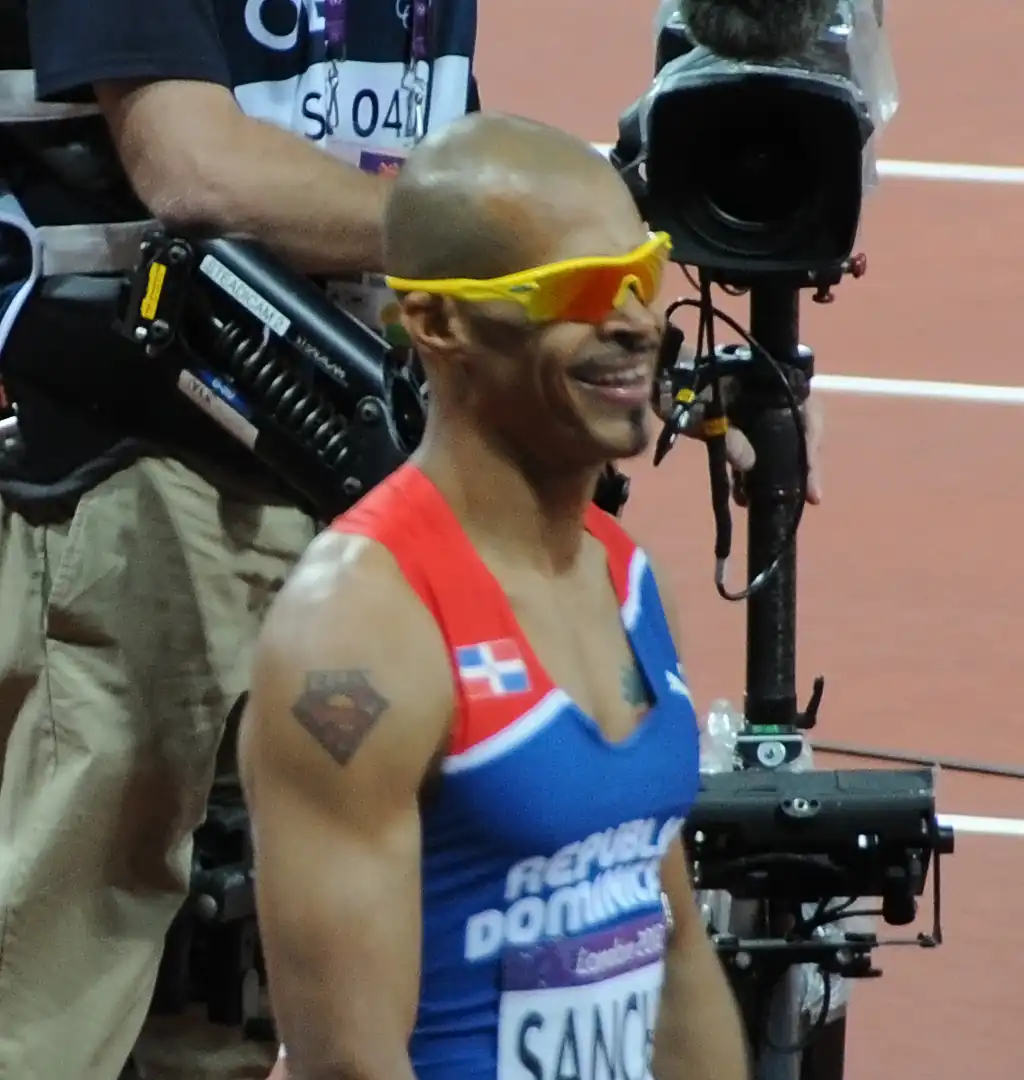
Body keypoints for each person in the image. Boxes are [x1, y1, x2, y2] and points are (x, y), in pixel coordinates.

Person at [0, 2, 478, 1079]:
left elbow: (415, 165)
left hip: (352, 472)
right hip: (139, 470)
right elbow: (194, 168)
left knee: (245, 981)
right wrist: (496, 229)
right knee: (64, 970)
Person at [243, 111, 752, 1080]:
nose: (638, 323)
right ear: (439, 324)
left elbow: (674, 953)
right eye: (583, 291)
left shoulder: (628, 581)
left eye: (642, 276)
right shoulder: (357, 629)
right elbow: (346, 1063)